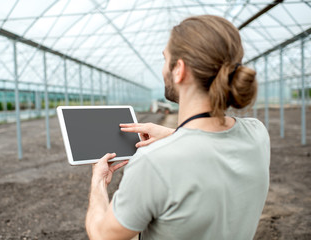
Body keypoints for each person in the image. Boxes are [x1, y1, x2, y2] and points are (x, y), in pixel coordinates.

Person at [85, 15, 270, 240]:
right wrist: (173, 135)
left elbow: (102, 236)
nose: (163, 69)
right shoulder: (257, 133)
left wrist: (98, 181)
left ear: (179, 70)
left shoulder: (154, 162)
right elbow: (212, 145)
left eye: (165, 60)